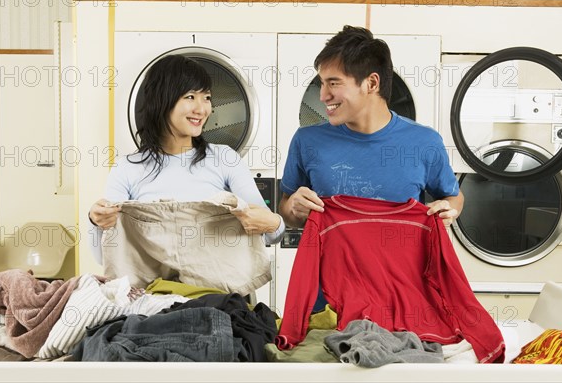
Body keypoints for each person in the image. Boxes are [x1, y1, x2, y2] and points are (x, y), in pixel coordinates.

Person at [278, 26, 464, 310]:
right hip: (326, 304)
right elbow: (286, 210)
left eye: (334, 83)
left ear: (371, 83)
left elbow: (453, 196)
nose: (323, 95)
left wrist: (450, 209)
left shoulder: (424, 142)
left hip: (402, 300)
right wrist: (293, 208)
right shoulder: (307, 141)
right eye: (322, 84)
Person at [89, 54, 285, 265]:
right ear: (162, 100)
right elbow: (104, 257)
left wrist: (275, 222)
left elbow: (271, 234)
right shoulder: (126, 169)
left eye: (207, 97)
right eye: (190, 97)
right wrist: (96, 221)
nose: (202, 109)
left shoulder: (225, 159)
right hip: (153, 293)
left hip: (216, 294)